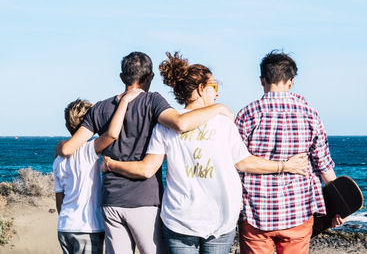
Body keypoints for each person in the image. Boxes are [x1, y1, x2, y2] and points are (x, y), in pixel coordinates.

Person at [101, 52, 310, 254]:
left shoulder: (164, 126)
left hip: (179, 218)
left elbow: (147, 168)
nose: (217, 92)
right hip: (220, 218)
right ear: (201, 89)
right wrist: (284, 166)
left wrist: (111, 163)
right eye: (214, 86)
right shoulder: (223, 122)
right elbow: (244, 163)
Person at [55, 51, 234, 254]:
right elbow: (179, 123)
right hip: (144, 200)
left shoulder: (100, 108)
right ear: (150, 77)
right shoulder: (152, 101)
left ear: (122, 77)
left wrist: (60, 146)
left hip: (111, 201)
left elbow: (69, 148)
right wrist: (218, 109)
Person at [236, 50, 345, 254]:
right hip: (298, 210)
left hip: (255, 212)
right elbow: (324, 166)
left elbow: (236, 164)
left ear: (262, 80)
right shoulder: (310, 115)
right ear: (291, 81)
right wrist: (340, 205)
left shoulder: (246, 114)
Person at [54, 89, 142, 254]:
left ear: (67, 125)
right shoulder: (89, 150)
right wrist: (124, 102)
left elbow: (59, 199)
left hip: (65, 227)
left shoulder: (58, 159)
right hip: (87, 226)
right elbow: (111, 135)